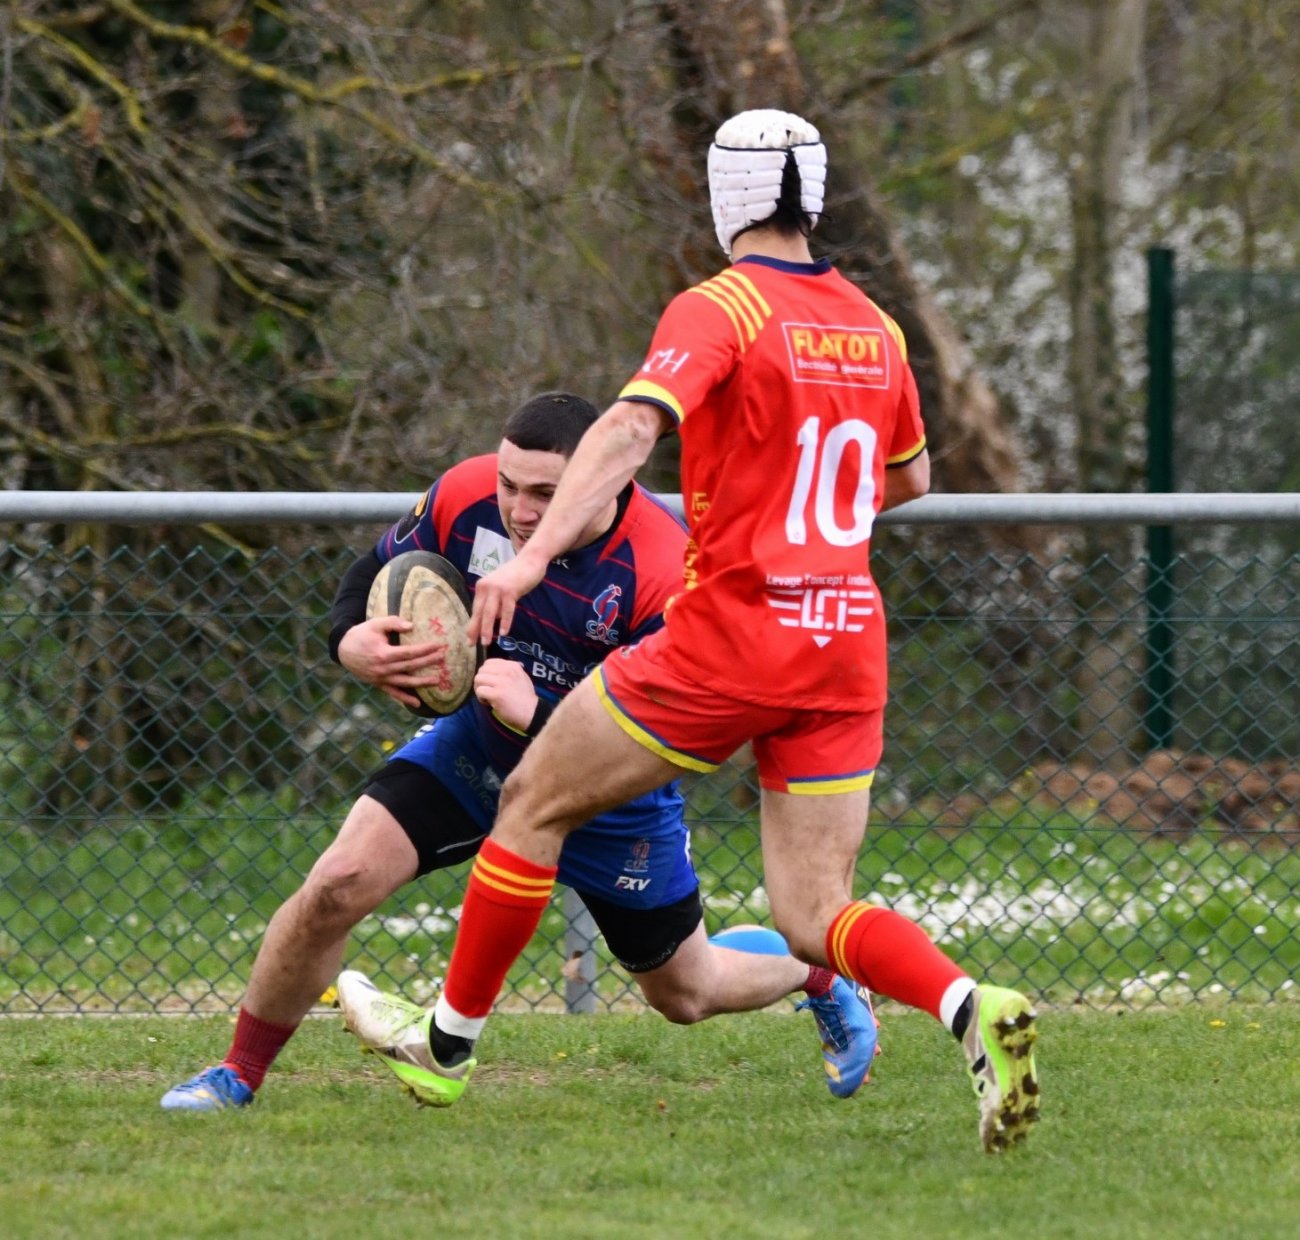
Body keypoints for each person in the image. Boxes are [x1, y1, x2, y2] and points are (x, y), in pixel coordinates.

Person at [342, 112, 1041, 1153]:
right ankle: (965, 1003)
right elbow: (911, 476)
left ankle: (446, 1050)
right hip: (845, 638)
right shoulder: (874, 324)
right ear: (813, 198)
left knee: (530, 800)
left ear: (728, 199)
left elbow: (629, 427)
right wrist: (810, 522)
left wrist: (529, 559)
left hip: (733, 636)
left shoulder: (722, 305)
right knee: (815, 914)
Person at [161, 391, 878, 1112]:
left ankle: (812, 975)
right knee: (335, 885)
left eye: (544, 492)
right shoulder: (467, 494)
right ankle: (237, 1075)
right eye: (510, 484)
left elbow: (682, 734)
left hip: (610, 793)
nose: (518, 507)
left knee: (687, 995)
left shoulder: (671, 567)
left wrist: (541, 713)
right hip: (478, 749)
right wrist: (350, 641)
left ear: (607, 478)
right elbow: (372, 570)